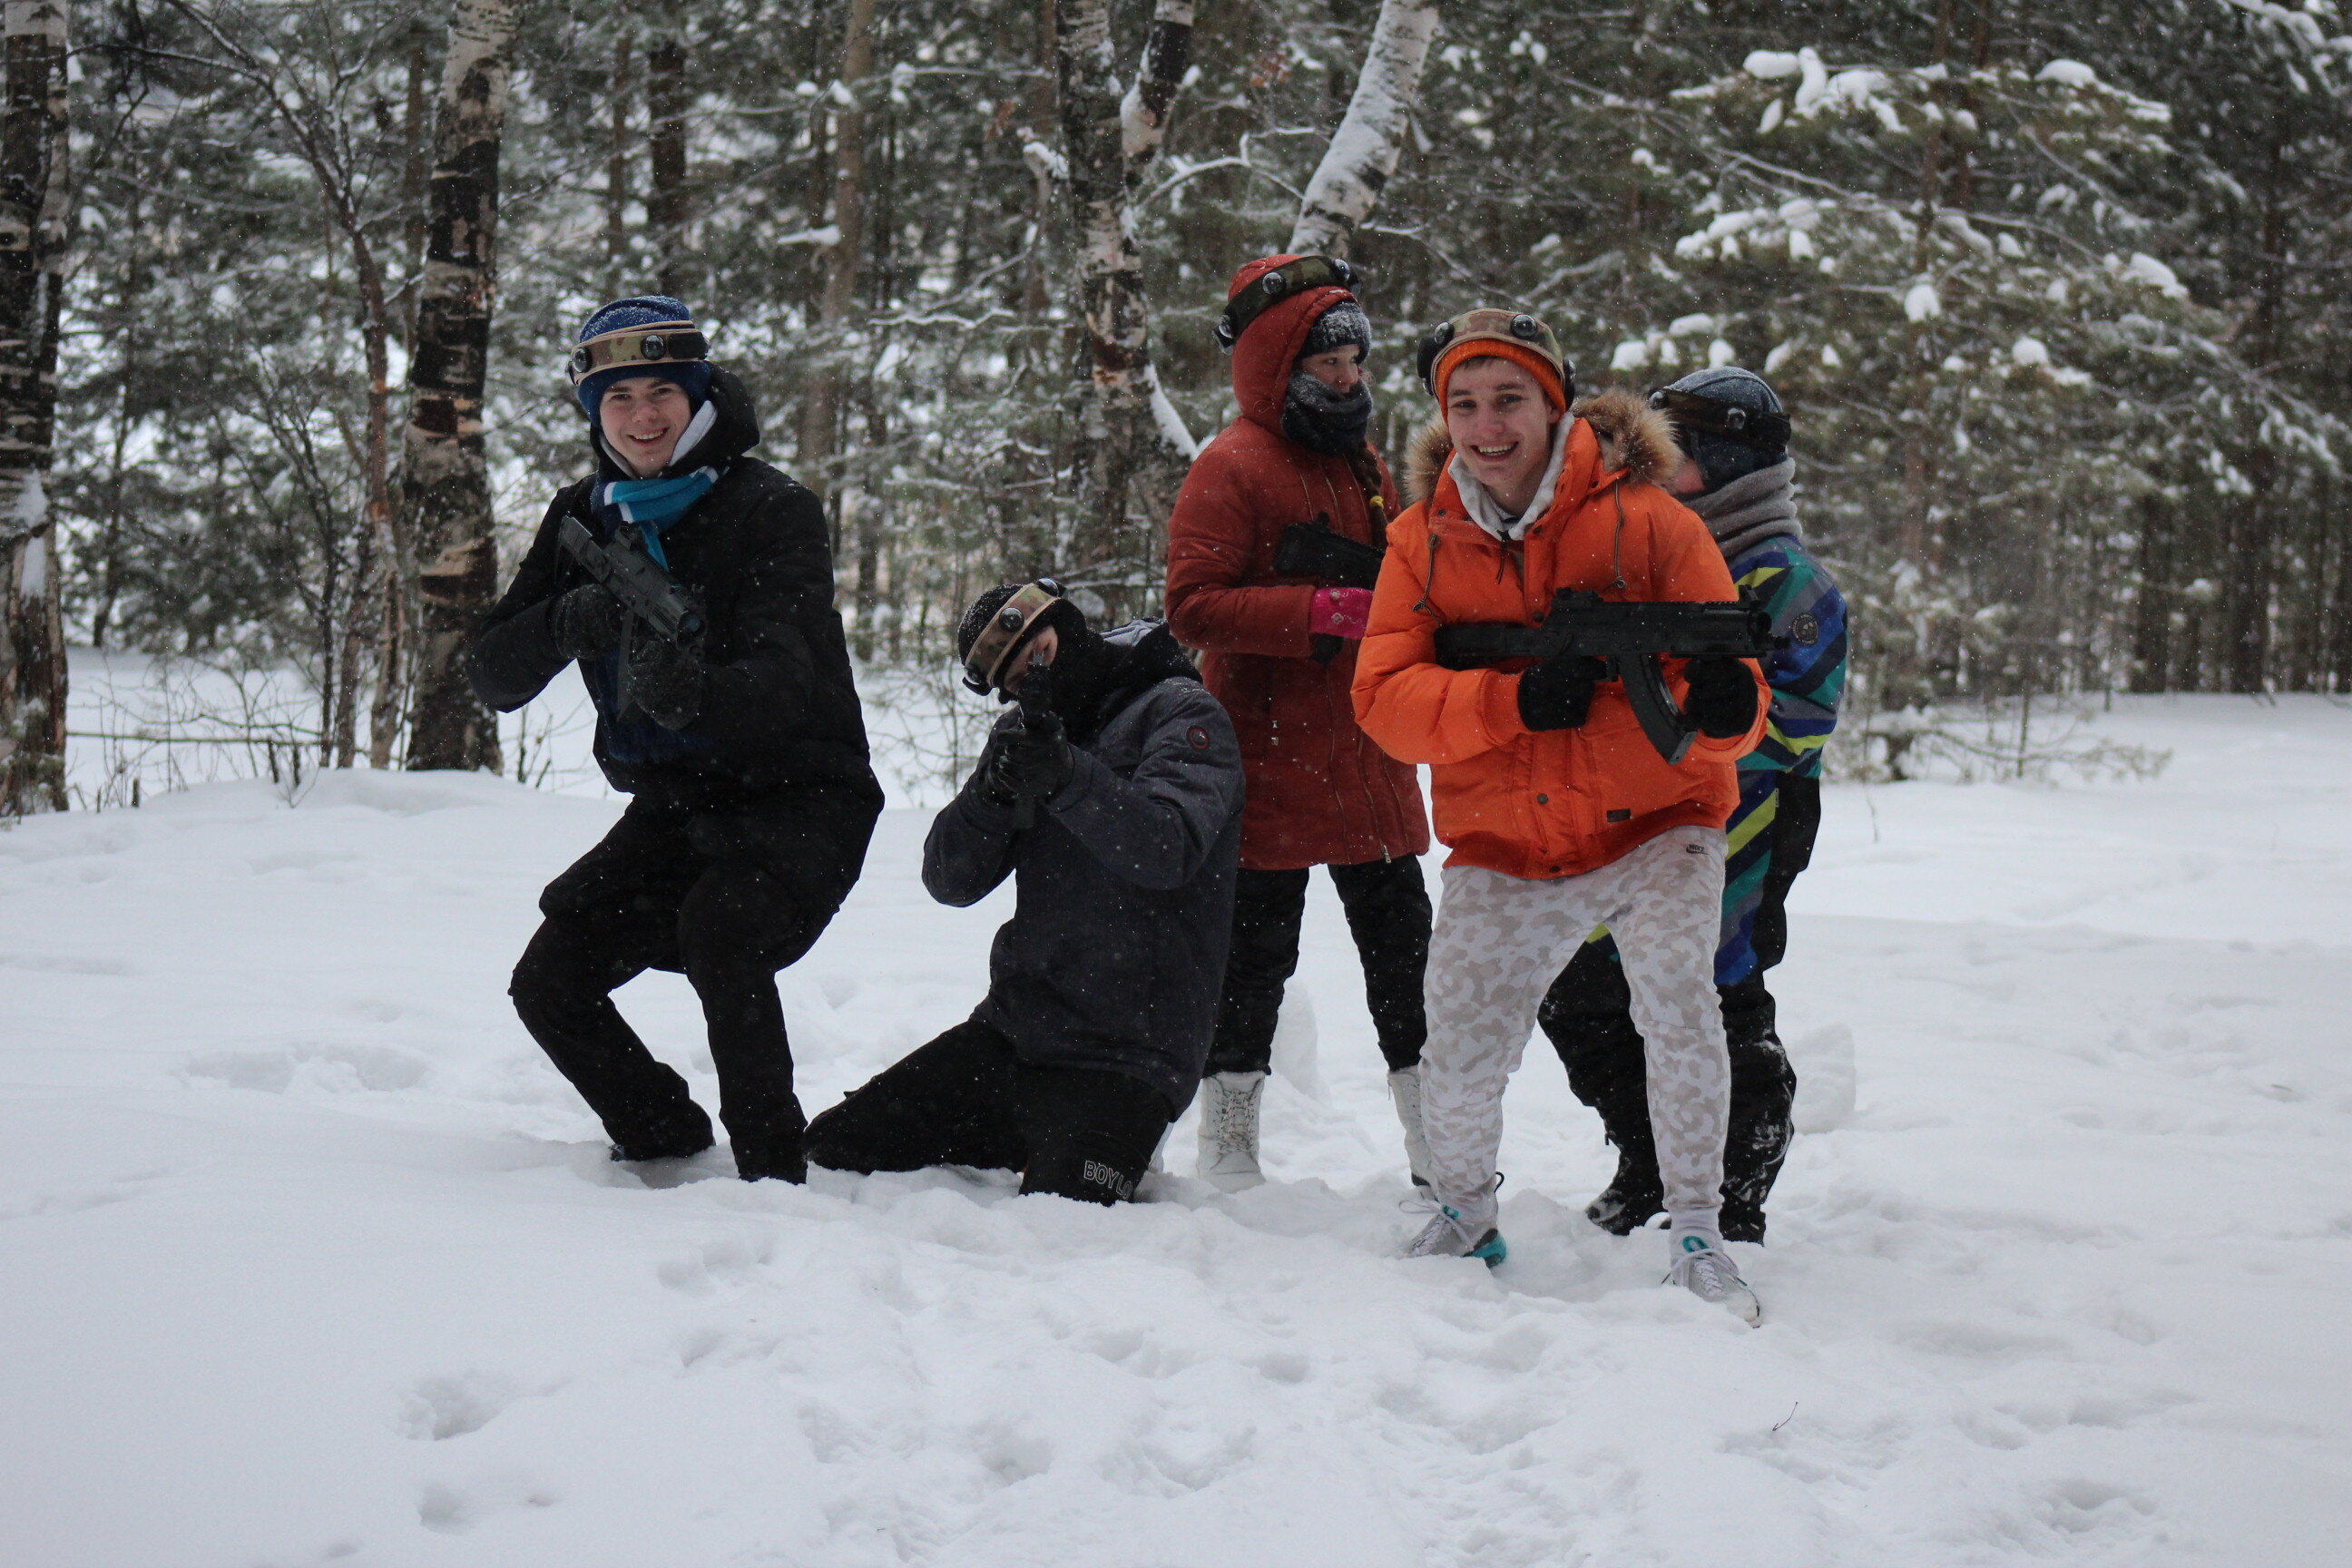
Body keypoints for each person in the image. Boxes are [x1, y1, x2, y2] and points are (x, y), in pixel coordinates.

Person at [1351, 309, 1771, 1322]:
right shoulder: (1418, 541)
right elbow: (1383, 699)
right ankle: (1463, 1212)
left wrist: (1724, 709)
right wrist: (1508, 702)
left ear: (1555, 404)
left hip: (1656, 821)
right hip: (1505, 837)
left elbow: (1735, 690)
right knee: (1455, 1033)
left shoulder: (1653, 520)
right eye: (1465, 404)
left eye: (1510, 401)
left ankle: (1700, 1234)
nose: (1488, 426)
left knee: (1675, 999)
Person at [469, 297, 880, 1182]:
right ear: (593, 410)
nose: (643, 415)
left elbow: (786, 685)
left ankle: (772, 1173)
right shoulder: (584, 516)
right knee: (550, 978)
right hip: (676, 805)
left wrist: (689, 692)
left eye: (663, 390)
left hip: (805, 795)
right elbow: (492, 677)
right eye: (619, 398)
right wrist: (565, 621)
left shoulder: (774, 509)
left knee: (719, 928)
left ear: (697, 395)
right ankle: (659, 1138)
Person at [805, 582, 1244, 1205]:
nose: (1033, 680)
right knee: (832, 1150)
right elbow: (948, 880)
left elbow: (1166, 849)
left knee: (1057, 1220)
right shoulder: (1025, 736)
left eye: (1038, 653)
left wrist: (1068, 777)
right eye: (1013, 682)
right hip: (1015, 1037)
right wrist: (995, 793)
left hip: (1132, 1057)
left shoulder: (1180, 712)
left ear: (1067, 626)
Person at [1536, 367, 1847, 1243]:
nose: (1660, 470)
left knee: (1716, 988)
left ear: (1725, 463)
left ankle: (1735, 1178)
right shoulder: (1659, 555)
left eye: (1682, 457)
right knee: (1585, 987)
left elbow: (1800, 721)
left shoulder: (1784, 579)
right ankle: (1650, 1155)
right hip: (1642, 820)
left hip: (1744, 825)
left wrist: (1695, 713)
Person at [1164, 253, 1433, 1191]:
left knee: (1407, 959)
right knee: (1252, 960)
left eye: (1357, 362)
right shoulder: (1230, 465)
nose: (1350, 378)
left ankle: (1437, 1142)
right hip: (1265, 757)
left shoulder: (1362, 459)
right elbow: (1191, 607)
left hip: (1368, 751)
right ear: (1279, 363)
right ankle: (1228, 1138)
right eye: (1330, 365)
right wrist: (1313, 613)